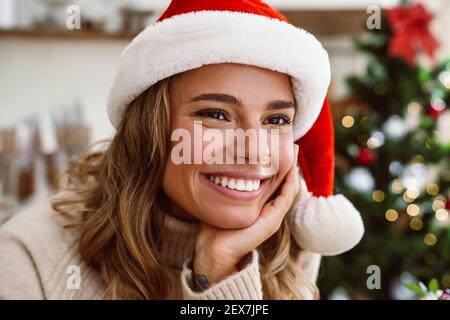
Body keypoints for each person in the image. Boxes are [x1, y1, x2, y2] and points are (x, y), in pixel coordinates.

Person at [0, 0, 364, 300]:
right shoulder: (27, 257)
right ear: (151, 128)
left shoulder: (287, 236)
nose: (255, 152)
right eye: (216, 114)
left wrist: (219, 268)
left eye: (276, 120)